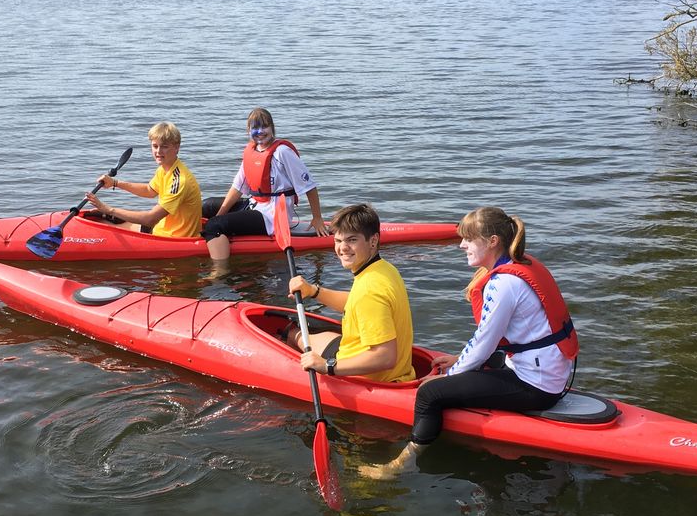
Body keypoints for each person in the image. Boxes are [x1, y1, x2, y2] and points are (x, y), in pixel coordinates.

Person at [358, 206, 577, 479]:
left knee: (429, 395)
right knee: (470, 365)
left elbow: (485, 342)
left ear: (492, 241)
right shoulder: (518, 265)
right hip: (547, 370)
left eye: (469, 239)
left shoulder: (504, 284)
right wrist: (460, 360)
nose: (462, 245)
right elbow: (498, 337)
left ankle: (400, 465)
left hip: (537, 384)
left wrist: (449, 376)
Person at [286, 203, 416, 384]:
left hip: (368, 377)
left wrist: (327, 366)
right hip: (395, 370)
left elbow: (386, 357)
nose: (343, 248)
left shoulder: (369, 290)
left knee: (290, 332)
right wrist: (313, 291)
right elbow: (355, 302)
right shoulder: (384, 269)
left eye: (352, 240)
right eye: (338, 241)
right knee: (319, 330)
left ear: (373, 240)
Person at [201, 107, 328, 262]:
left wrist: (317, 218)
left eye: (264, 126)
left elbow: (309, 186)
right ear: (248, 130)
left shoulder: (282, 152)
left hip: (273, 216)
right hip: (254, 205)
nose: (260, 131)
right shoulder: (251, 151)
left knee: (214, 225)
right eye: (255, 127)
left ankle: (220, 270)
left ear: (272, 128)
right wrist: (221, 213)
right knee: (206, 206)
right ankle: (201, 235)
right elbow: (237, 188)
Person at [85, 121, 202, 238]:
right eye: (155, 146)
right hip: (161, 227)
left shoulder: (179, 181)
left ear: (176, 147)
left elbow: (151, 219)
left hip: (172, 237)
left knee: (106, 230)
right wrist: (115, 183)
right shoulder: (165, 169)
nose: (158, 151)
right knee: (99, 222)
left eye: (164, 147)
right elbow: (149, 190)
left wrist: (109, 210)